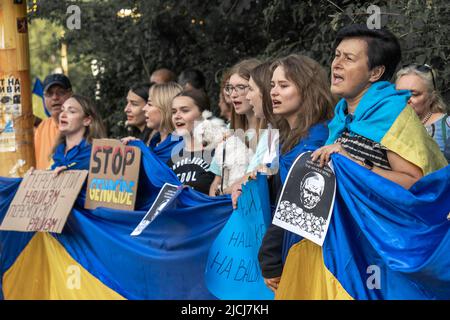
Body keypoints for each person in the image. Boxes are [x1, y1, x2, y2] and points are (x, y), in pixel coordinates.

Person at [311, 24, 447, 189]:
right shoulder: (342, 115)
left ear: (375, 73)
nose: (336, 64)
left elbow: (415, 183)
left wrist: (358, 164)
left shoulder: (392, 114)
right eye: (337, 55)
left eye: (348, 58)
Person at [258, 54, 335, 293]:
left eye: (284, 85)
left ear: (307, 90)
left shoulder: (316, 141)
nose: (274, 93)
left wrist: (269, 258)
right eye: (272, 86)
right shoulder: (284, 137)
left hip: (306, 254)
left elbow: (295, 207)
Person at [208, 59, 262, 196]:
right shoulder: (228, 130)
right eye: (230, 88)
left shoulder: (272, 131)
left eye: (241, 87)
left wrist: (223, 192)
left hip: (252, 208)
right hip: (224, 209)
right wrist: (215, 195)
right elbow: (217, 180)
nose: (233, 94)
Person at [167, 89, 225, 194]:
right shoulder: (172, 157)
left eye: (185, 110)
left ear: (204, 114)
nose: (177, 116)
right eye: (174, 112)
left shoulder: (219, 151)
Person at [395, 64, 450, 162]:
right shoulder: (389, 124)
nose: (405, 99)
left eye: (414, 94)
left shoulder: (446, 126)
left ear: (431, 97)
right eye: (399, 94)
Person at [51, 94, 107, 174]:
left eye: (72, 111)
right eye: (62, 110)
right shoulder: (58, 151)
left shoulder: (96, 152)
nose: (63, 115)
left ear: (87, 120)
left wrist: (69, 169)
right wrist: (34, 177)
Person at [34, 74, 72, 169]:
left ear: (71, 94)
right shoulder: (42, 127)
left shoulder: (81, 125)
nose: (55, 97)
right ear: (44, 98)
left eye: (61, 92)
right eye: (49, 94)